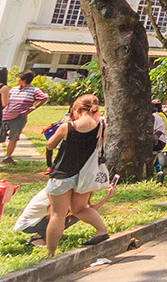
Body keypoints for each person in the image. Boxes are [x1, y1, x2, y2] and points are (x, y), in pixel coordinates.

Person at [44, 95, 110, 255]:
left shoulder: (67, 127)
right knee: (80, 209)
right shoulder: (101, 126)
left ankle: (50, 253)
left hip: (63, 174)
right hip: (85, 175)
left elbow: (50, 144)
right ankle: (102, 230)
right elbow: (99, 144)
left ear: (77, 109)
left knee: (58, 215)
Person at [14, 175, 117, 246]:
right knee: (73, 214)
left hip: (39, 220)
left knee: (78, 213)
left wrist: (109, 196)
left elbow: (88, 211)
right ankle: (38, 238)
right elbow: (81, 212)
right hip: (29, 225)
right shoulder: (61, 189)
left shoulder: (76, 189)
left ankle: (49, 235)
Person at [0, 70, 49, 164]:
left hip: (19, 117)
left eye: (20, 78)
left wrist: (32, 108)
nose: (18, 80)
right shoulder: (14, 89)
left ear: (25, 80)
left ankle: (8, 156)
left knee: (13, 137)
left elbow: (43, 98)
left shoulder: (34, 90)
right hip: (5, 115)